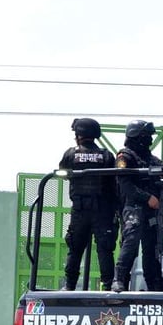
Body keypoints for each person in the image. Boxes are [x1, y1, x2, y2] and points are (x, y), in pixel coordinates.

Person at [59, 117, 119, 291]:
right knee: (105, 250)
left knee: (75, 249)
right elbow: (112, 184)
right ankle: (107, 287)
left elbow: (63, 170)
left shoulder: (71, 154)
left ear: (79, 135)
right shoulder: (106, 155)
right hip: (102, 211)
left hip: (80, 210)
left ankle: (69, 286)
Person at [111, 120, 163, 293]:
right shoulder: (125, 157)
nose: (149, 139)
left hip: (151, 212)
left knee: (152, 249)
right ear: (137, 136)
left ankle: (155, 287)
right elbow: (125, 183)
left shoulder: (151, 159)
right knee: (131, 243)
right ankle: (119, 280)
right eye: (146, 136)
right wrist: (147, 197)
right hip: (133, 207)